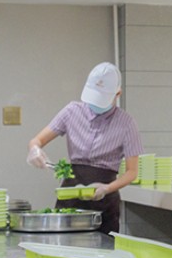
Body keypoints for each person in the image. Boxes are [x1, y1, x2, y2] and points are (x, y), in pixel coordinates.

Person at [26, 62, 142, 233]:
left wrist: (107, 188)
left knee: (104, 246)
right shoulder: (72, 111)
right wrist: (34, 149)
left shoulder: (126, 124)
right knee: (64, 245)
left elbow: (132, 172)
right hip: (70, 195)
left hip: (104, 199)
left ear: (118, 94)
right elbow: (37, 140)